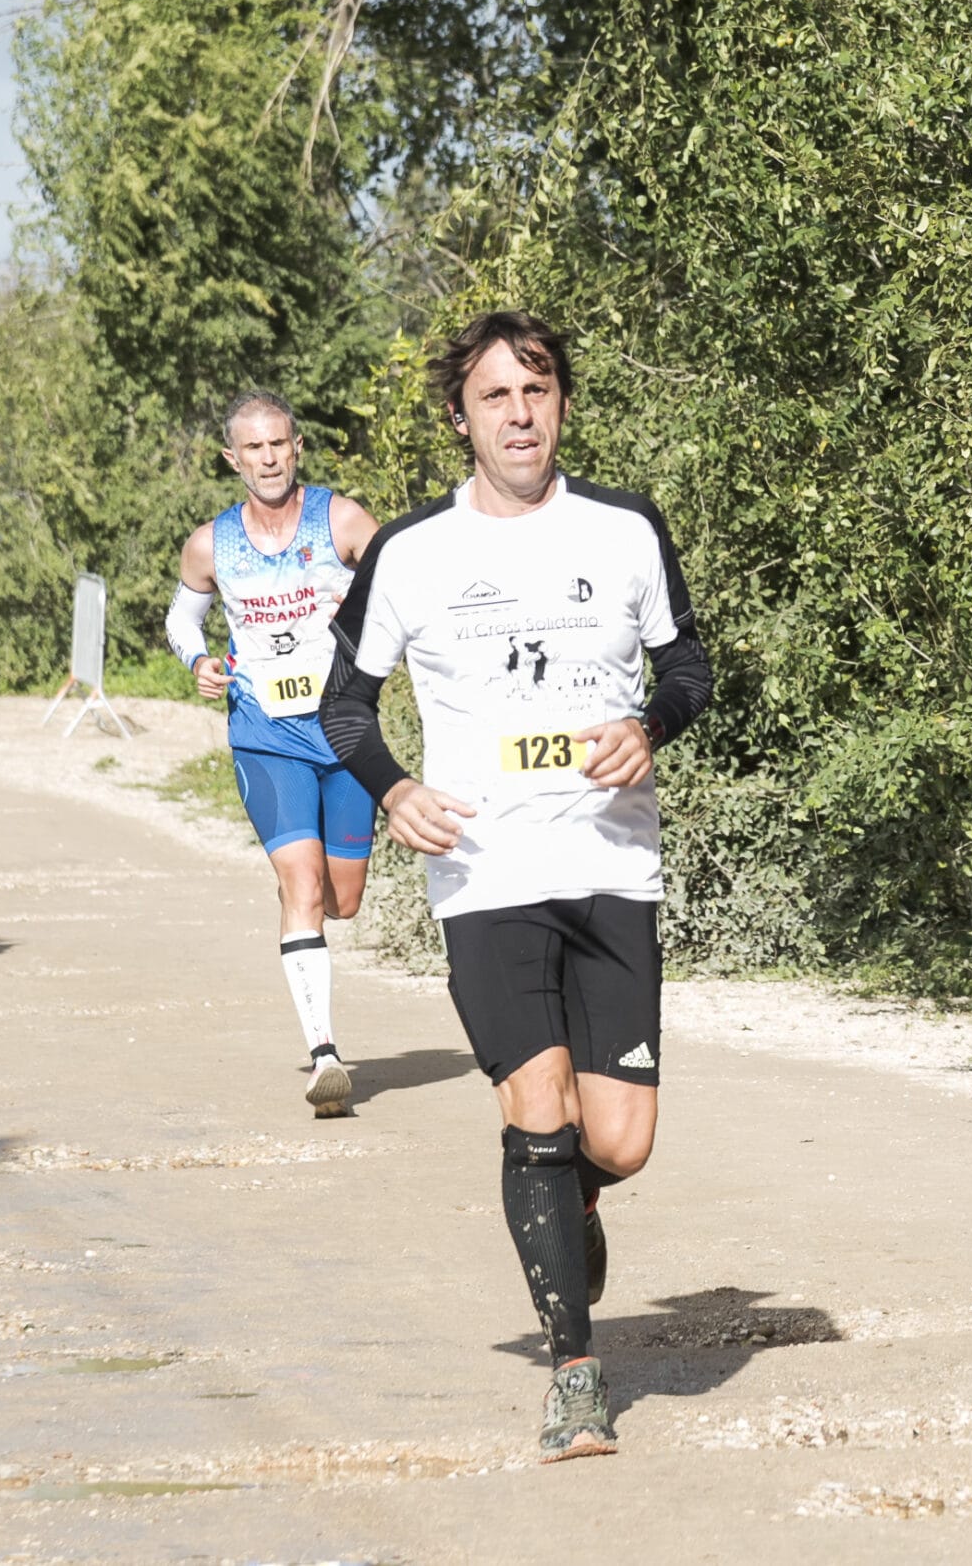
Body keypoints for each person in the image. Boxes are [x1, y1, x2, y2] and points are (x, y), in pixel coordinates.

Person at [319, 310, 712, 1462]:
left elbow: (688, 666)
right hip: (482, 872)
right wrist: (394, 791)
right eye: (495, 396)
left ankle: (568, 1196)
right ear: (462, 419)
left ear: (563, 405)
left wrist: (650, 725)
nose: (519, 414)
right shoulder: (411, 551)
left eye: (535, 391)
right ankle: (575, 1376)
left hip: (610, 863)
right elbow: (345, 706)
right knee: (536, 1114)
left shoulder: (625, 528)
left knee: (619, 1141)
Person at [164, 392, 381, 1117]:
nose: (268, 459)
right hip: (265, 733)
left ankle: (302, 901)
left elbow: (401, 585)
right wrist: (198, 660)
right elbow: (183, 616)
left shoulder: (340, 520)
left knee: (342, 898)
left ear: (297, 447)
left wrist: (368, 624)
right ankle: (325, 1055)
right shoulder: (211, 544)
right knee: (304, 885)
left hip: (345, 730)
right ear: (233, 458)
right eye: (253, 448)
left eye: (278, 444)